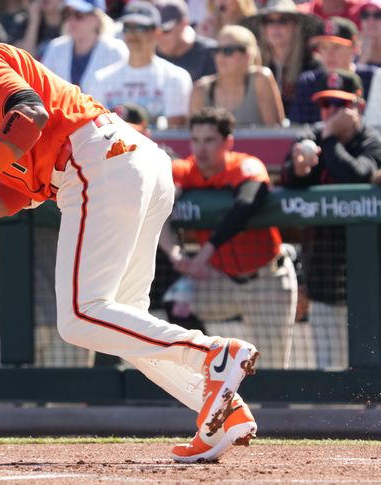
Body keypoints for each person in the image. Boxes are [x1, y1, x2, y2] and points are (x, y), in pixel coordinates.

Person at [0, 0, 260, 462]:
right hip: (120, 163)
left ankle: (214, 353)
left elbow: (28, 112)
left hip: (96, 161)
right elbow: (18, 191)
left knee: (79, 317)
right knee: (120, 326)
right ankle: (224, 410)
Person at [159, 107, 297, 368]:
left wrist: (203, 254)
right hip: (220, 279)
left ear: (228, 142)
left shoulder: (244, 164)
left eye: (209, 140)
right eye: (196, 140)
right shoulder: (187, 169)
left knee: (273, 370)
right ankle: (211, 367)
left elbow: (247, 203)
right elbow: (158, 207)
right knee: (176, 303)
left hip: (266, 280)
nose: (201, 149)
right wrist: (176, 255)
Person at [281, 70, 381, 369]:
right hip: (324, 269)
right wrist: (298, 170)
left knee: (371, 362)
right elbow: (290, 179)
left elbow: (357, 175)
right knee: (330, 363)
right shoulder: (310, 138)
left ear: (358, 107)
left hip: (369, 273)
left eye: (340, 105)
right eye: (326, 106)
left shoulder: (371, 141)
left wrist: (329, 139)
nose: (331, 113)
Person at [86, 0, 193, 128]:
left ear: (157, 32)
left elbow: (174, 133)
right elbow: (96, 129)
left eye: (140, 28)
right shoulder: (100, 79)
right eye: (128, 28)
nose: (132, 34)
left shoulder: (175, 77)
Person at [244, 0, 322, 116]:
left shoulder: (312, 66)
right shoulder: (255, 66)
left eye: (283, 20)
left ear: (295, 26)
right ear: (263, 28)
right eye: (269, 21)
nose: (275, 27)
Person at [190, 25, 284, 127]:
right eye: (217, 50)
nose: (220, 56)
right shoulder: (200, 89)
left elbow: (275, 132)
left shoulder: (260, 79)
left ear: (247, 55)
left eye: (228, 50)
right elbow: (195, 138)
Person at [290, 17, 378, 124]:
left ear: (355, 47)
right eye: (323, 47)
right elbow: (298, 128)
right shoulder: (307, 82)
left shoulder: (375, 78)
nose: (329, 54)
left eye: (336, 47)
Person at [40, 0, 127, 93]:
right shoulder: (55, 48)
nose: (71, 20)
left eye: (79, 14)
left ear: (97, 18)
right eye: (67, 14)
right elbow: (44, 90)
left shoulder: (115, 50)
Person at [154, 0, 217, 82]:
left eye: (165, 30)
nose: (159, 36)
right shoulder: (146, 57)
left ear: (184, 23)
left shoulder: (213, 55)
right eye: (154, 30)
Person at [358, 0, 381, 67]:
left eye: (378, 15)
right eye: (365, 15)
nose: (370, 21)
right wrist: (363, 60)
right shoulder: (353, 49)